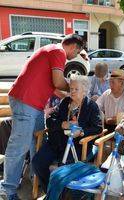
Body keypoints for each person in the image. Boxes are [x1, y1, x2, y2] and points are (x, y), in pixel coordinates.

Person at [0, 34, 84, 200]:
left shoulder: (52, 50)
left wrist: (69, 97)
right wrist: (76, 86)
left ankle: (34, 180)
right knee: (20, 144)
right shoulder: (59, 52)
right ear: (74, 47)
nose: (76, 56)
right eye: (78, 52)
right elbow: (58, 82)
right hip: (26, 100)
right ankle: (7, 189)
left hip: (33, 103)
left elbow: (52, 87)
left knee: (38, 142)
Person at [31, 75, 101, 193]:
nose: (72, 92)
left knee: (64, 170)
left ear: (84, 90)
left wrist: (82, 131)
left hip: (77, 146)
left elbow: (97, 128)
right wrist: (62, 124)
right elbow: (50, 121)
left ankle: (59, 192)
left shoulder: (91, 106)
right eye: (70, 89)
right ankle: (51, 191)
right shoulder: (64, 102)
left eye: (76, 89)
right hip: (56, 143)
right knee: (38, 162)